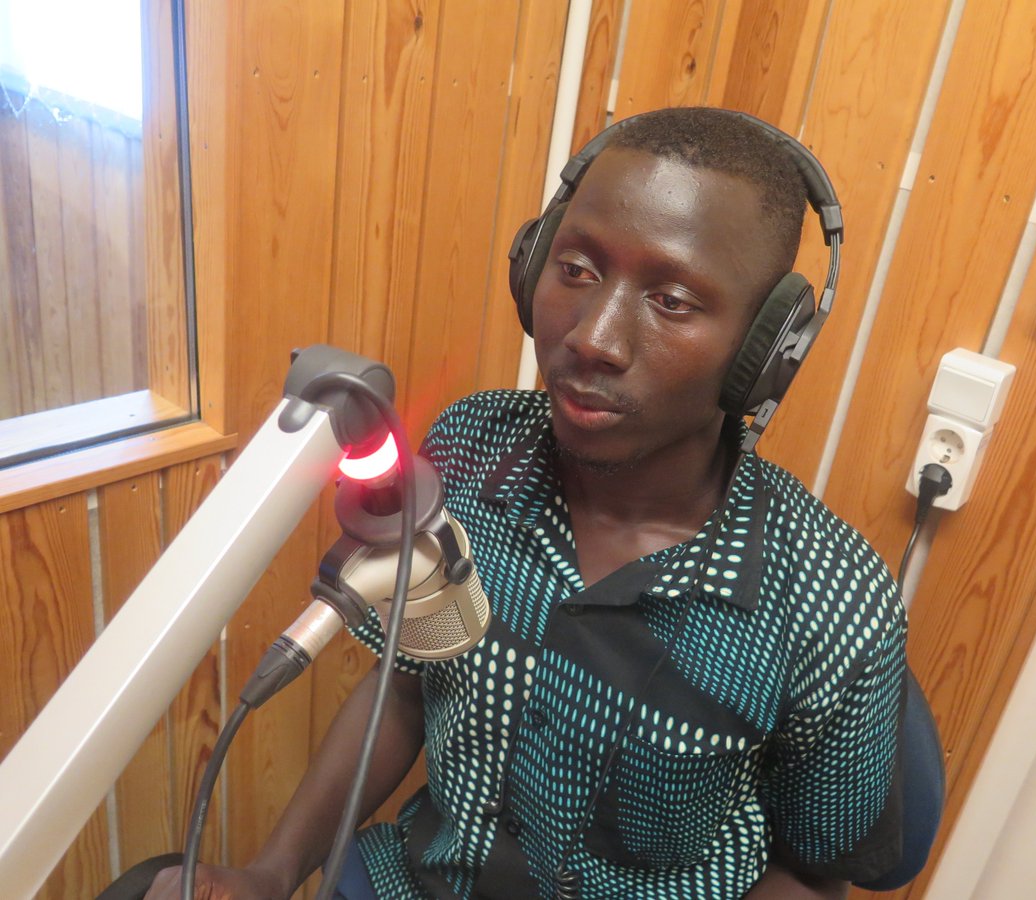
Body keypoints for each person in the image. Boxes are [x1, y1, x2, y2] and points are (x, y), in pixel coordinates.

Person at [149, 107, 906, 899]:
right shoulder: (469, 450)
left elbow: (812, 873)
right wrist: (270, 873)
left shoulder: (834, 602)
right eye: (576, 269)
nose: (594, 339)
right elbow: (405, 688)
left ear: (767, 350)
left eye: (672, 300)